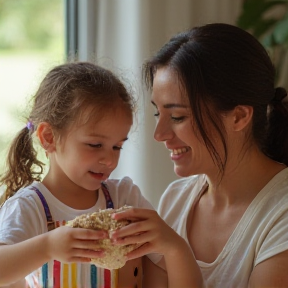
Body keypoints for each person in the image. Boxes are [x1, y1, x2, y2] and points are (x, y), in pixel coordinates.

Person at [111, 23, 288, 288]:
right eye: (159, 114)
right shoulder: (176, 199)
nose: (159, 134)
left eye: (178, 117)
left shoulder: (280, 214)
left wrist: (177, 251)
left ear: (239, 116)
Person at [0, 62, 199, 288]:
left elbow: (174, 275)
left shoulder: (124, 197)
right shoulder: (30, 207)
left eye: (117, 147)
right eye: (95, 145)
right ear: (49, 137)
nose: (110, 160)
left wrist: (175, 246)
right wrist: (47, 247)